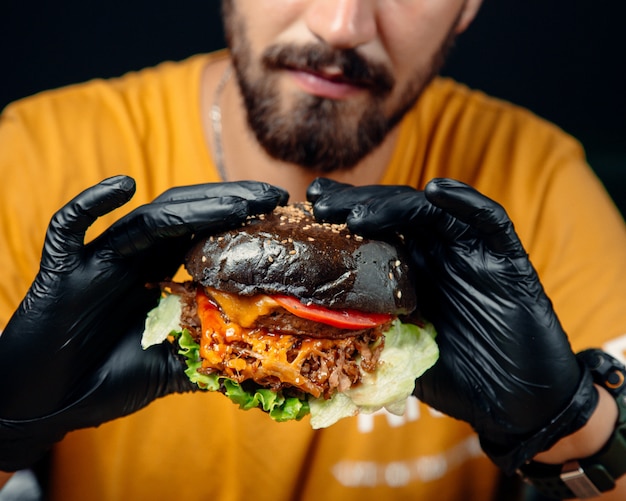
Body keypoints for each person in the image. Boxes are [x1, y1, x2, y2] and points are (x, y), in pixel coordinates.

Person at [1, 1, 626, 499]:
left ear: (467, 8)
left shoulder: (536, 180)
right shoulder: (34, 157)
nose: (340, 25)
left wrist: (572, 427)